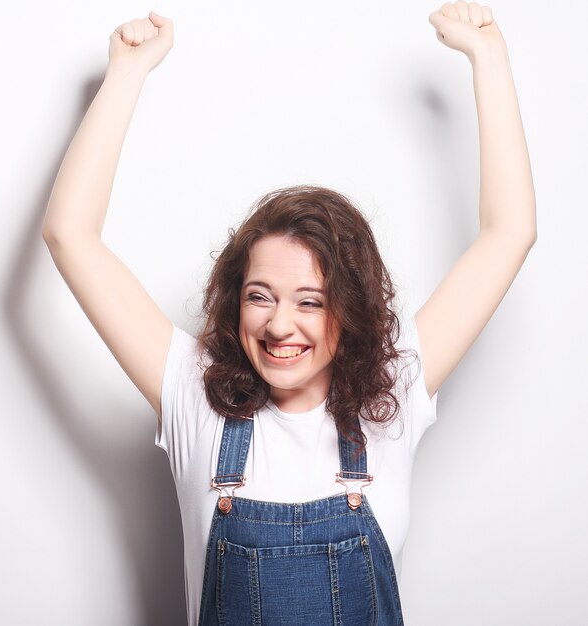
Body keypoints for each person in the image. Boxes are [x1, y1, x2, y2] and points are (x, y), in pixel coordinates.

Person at [42, 3, 536, 625]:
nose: (279, 325)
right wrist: (127, 73)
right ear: (234, 298)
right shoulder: (193, 397)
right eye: (259, 296)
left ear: (348, 309)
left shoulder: (395, 393)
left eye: (311, 301)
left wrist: (488, 58)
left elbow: (509, 234)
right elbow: (70, 235)